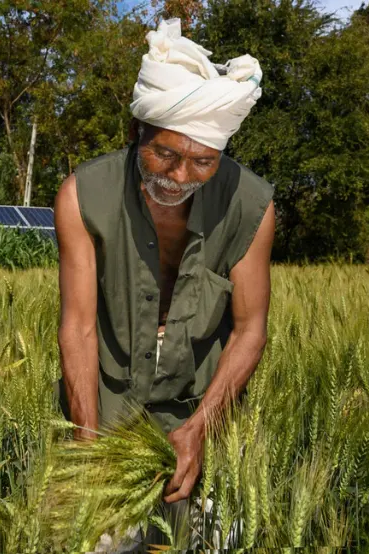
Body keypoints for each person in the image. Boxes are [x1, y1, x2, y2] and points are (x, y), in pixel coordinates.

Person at [54, 17, 276, 550]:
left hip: (200, 402)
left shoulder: (251, 206)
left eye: (203, 162)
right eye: (166, 155)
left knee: (211, 538)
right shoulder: (83, 196)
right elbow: (79, 327)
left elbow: (249, 329)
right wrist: (88, 448)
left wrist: (200, 428)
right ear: (138, 132)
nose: (179, 177)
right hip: (108, 402)